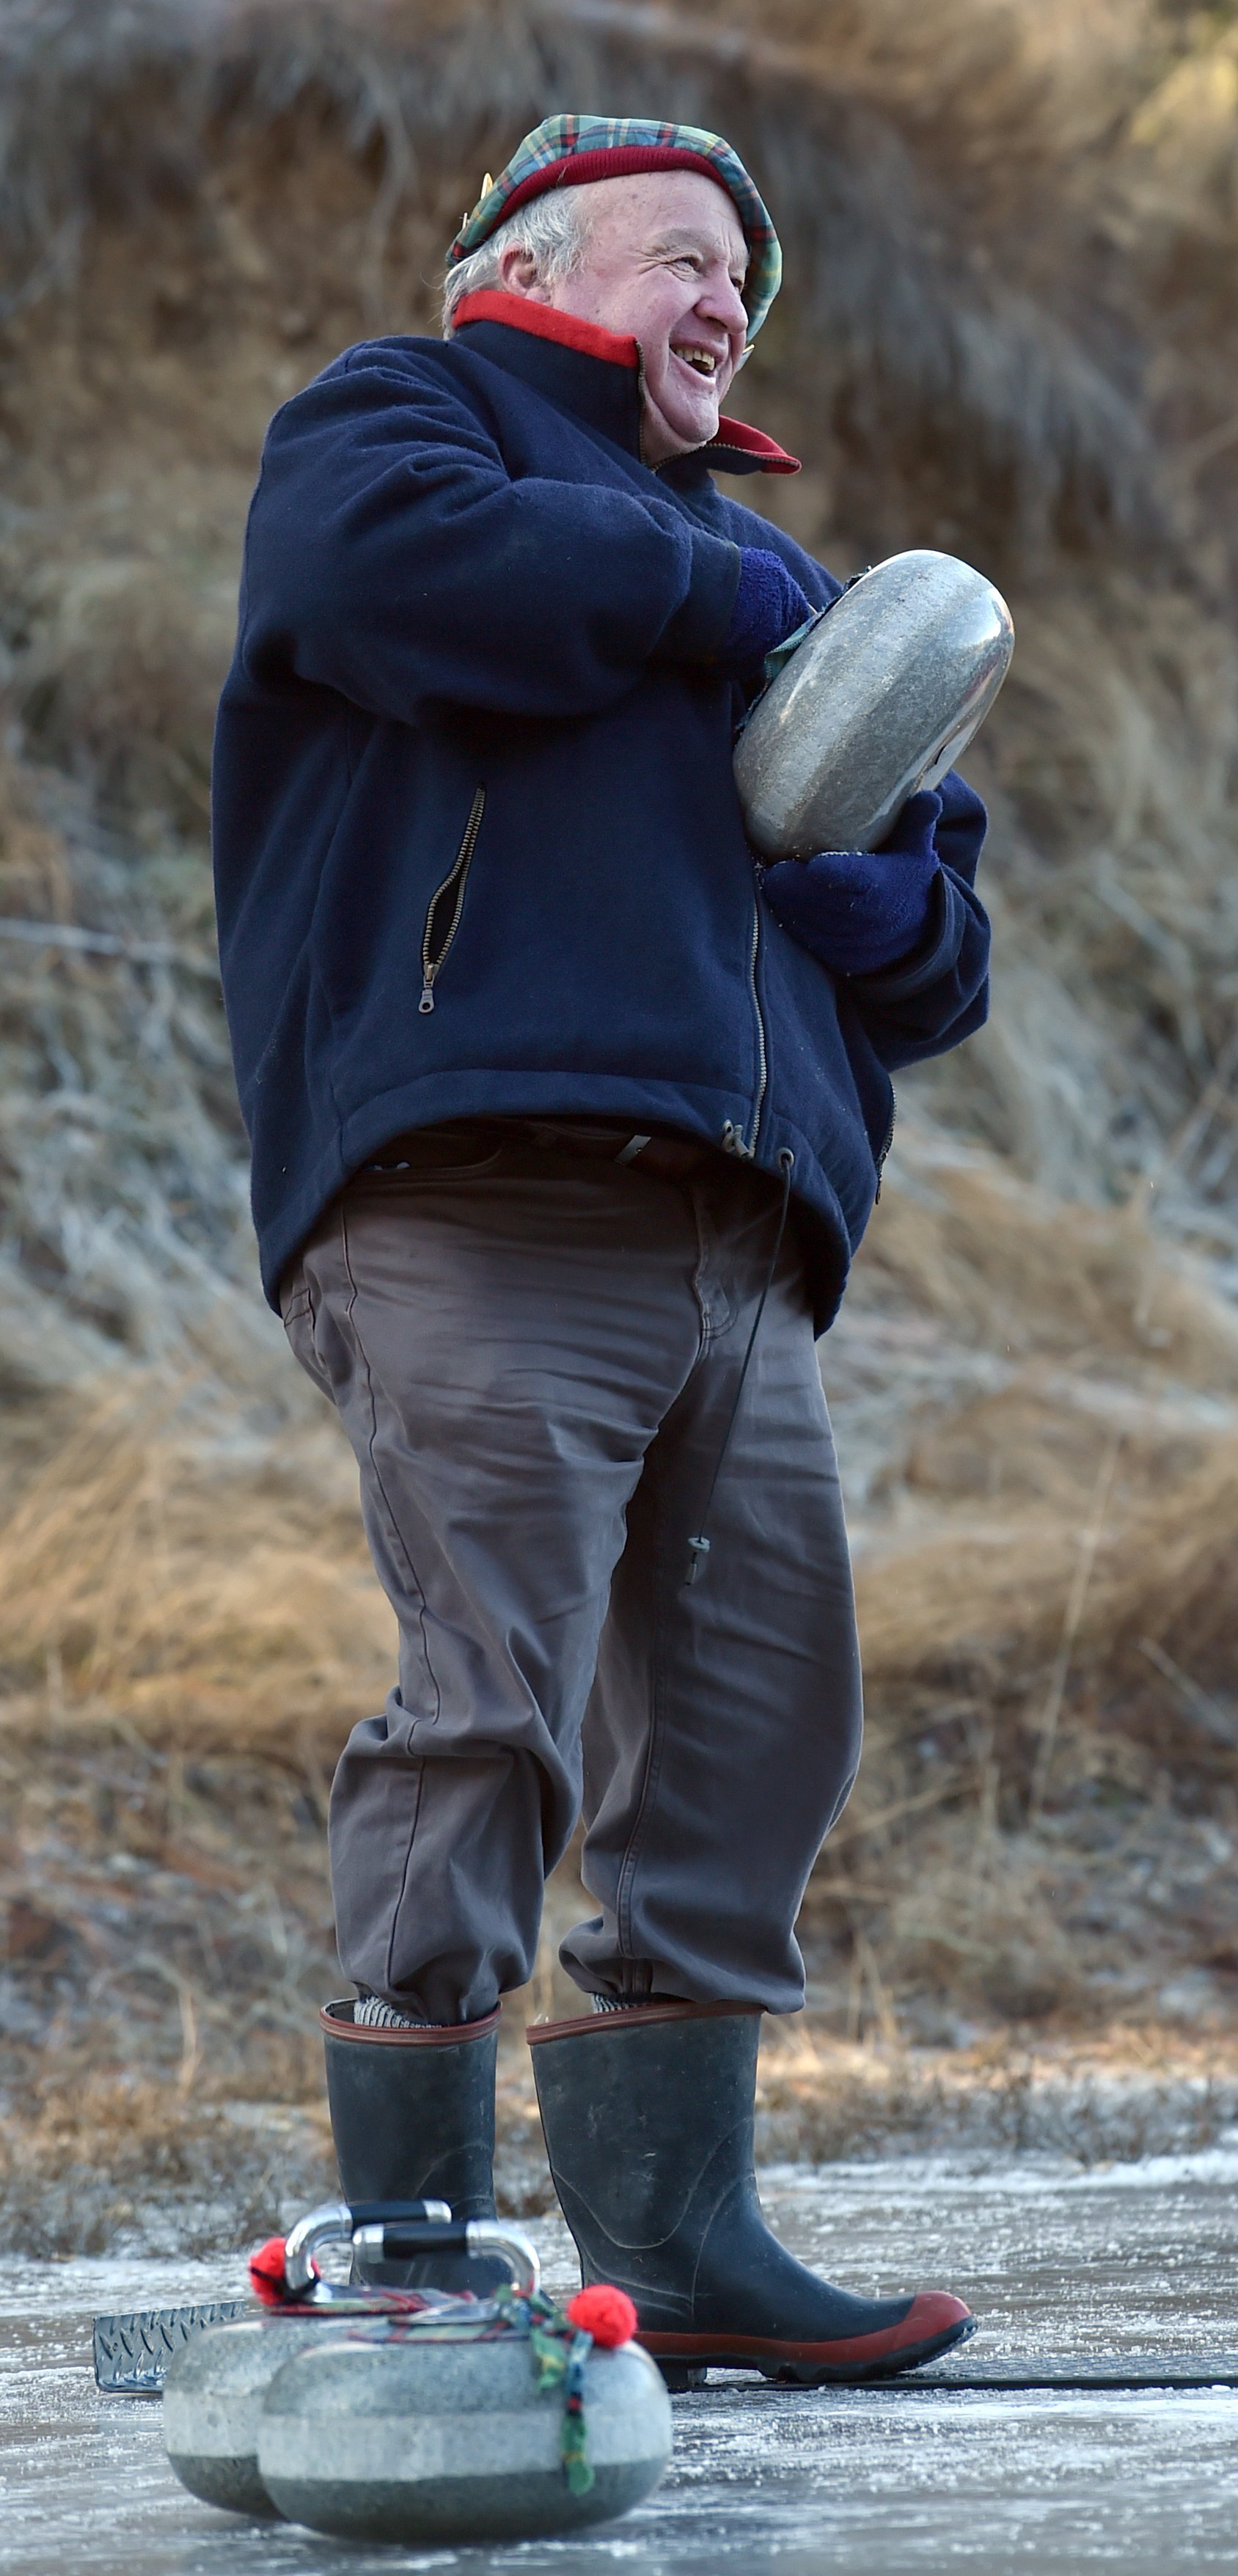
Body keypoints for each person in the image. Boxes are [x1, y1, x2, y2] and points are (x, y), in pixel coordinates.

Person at [213, 114, 989, 2382]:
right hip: (479, 1191)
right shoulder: (399, 423)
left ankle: (691, 2240)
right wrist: (710, 590)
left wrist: (884, 898)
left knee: (759, 1737)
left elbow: (944, 961)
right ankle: (423, 2252)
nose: (726, 295)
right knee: (491, 1709)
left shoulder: (804, 596)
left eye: (746, 271)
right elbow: (381, 588)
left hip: (742, 1245)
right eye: (681, 251)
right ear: (529, 271)